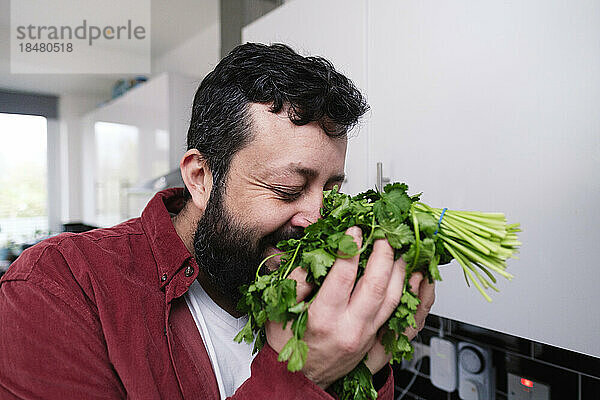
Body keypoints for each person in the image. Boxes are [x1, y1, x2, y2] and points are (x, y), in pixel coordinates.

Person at [0, 43, 435, 399]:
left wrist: (364, 368)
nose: (318, 220)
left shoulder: (317, 294)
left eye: (332, 192)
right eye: (286, 188)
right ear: (201, 178)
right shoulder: (56, 288)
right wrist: (300, 379)